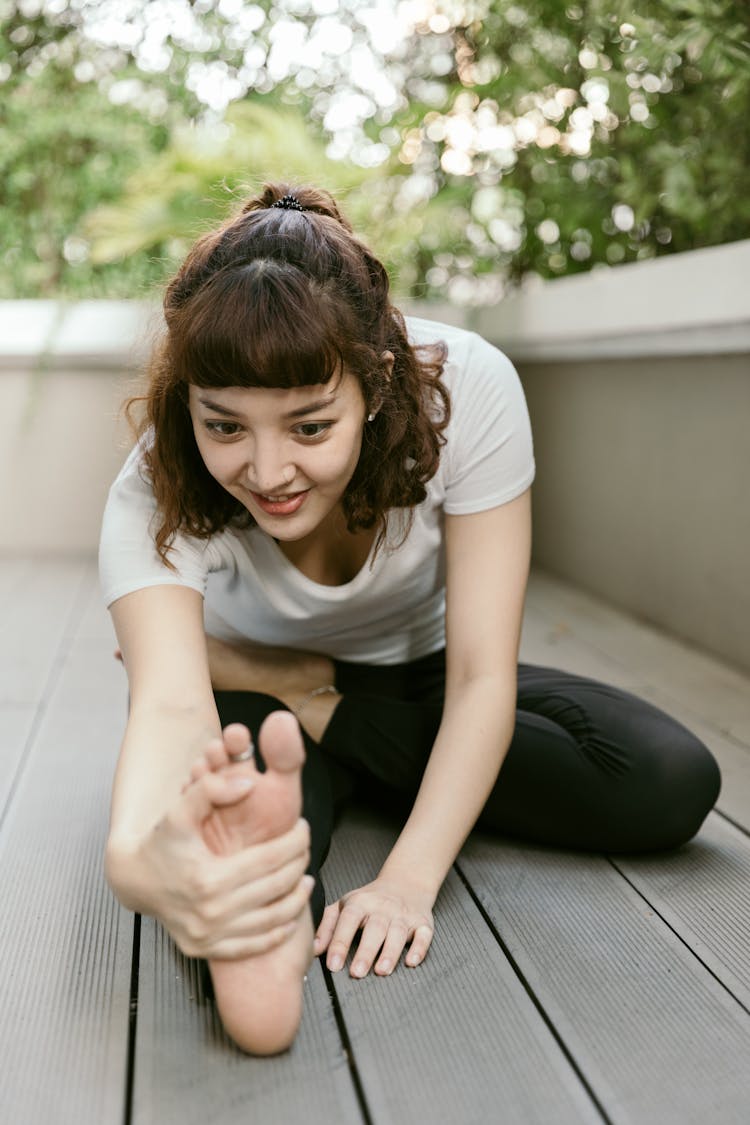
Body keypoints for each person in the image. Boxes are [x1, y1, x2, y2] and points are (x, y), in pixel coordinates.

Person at [99, 182, 721, 1055]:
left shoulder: (465, 387)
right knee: (239, 848)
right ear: (191, 401)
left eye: (310, 426)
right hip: (253, 712)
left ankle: (326, 714)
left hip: (412, 679)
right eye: (225, 425)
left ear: (377, 381)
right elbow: (168, 703)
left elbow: (479, 676)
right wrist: (138, 861)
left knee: (667, 775)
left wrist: (405, 882)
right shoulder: (154, 481)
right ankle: (277, 859)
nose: (268, 468)